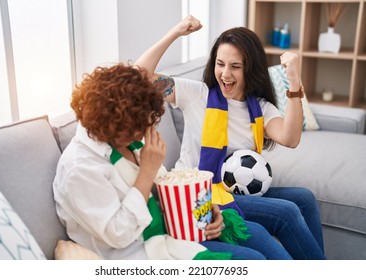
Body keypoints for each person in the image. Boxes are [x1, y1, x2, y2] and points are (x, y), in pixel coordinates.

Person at [52, 63, 292, 260]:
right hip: (142, 252)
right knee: (253, 260)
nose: (145, 133)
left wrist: (206, 210)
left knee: (258, 233)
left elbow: (167, 193)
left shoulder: (127, 142)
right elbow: (119, 234)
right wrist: (147, 170)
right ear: (112, 124)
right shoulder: (79, 169)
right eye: (138, 127)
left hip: (174, 231)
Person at [135, 15, 326, 260]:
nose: (225, 74)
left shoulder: (260, 107)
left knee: (304, 199)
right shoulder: (196, 95)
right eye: (220, 63)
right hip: (200, 192)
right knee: (286, 212)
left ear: (250, 69)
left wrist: (294, 82)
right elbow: (138, 77)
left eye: (235, 66)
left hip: (235, 189)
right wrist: (176, 32)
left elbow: (290, 138)